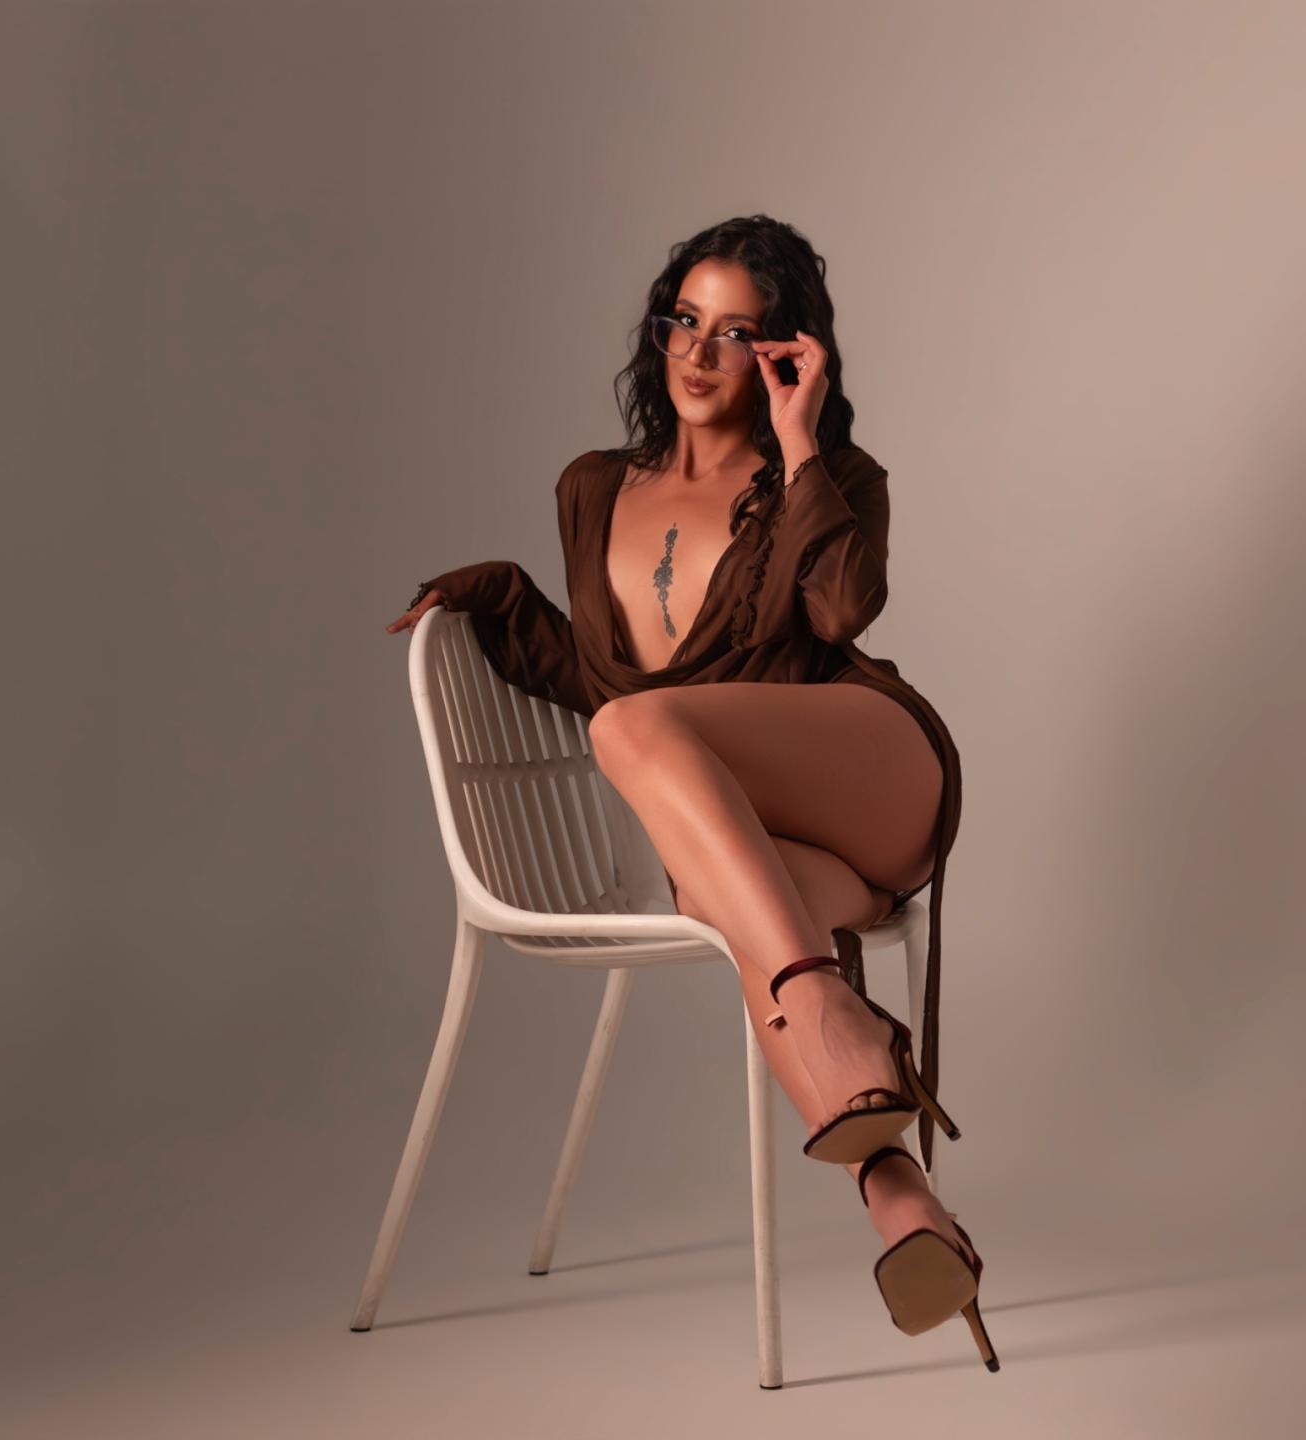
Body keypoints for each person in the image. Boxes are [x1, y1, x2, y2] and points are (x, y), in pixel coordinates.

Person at [384, 215, 994, 1368]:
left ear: (784, 352)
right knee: (721, 892)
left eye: (737, 333)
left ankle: (829, 1016)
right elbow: (607, 682)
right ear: (659, 329)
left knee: (638, 741)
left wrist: (800, 445)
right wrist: (504, 599)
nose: (700, 353)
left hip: (870, 772)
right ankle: (906, 1205)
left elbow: (841, 611)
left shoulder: (834, 477)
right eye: (684, 321)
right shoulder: (591, 489)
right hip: (765, 846)